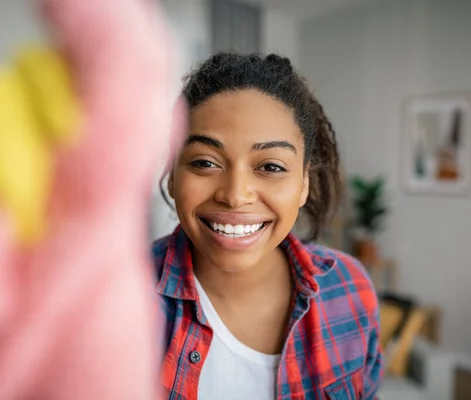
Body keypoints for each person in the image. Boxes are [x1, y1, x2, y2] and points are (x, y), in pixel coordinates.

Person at [153, 53, 383, 399]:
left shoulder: (350, 289)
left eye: (271, 167)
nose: (235, 196)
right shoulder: (112, 298)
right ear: (173, 176)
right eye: (205, 162)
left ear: (304, 184)